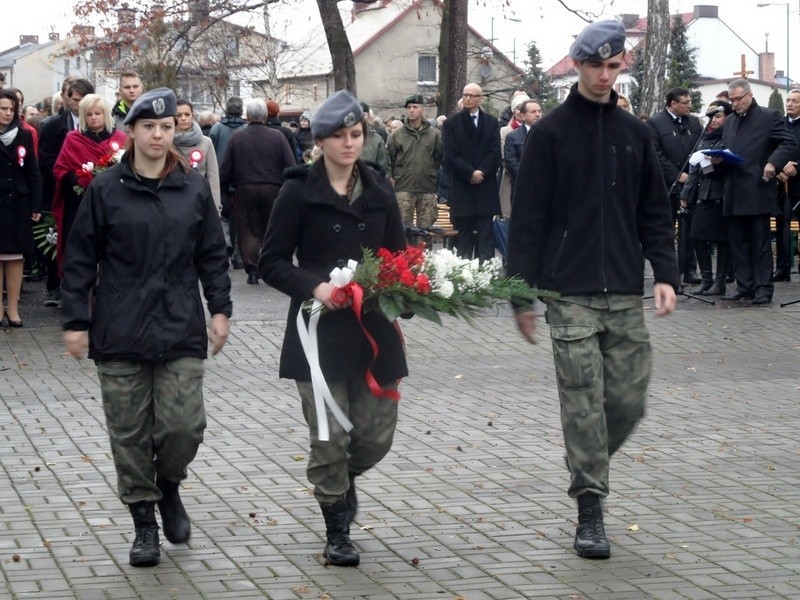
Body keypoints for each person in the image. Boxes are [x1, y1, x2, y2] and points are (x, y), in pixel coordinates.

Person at [507, 20, 678, 560]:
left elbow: (654, 210)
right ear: (577, 65)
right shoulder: (551, 133)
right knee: (583, 404)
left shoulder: (636, 134)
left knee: (627, 400)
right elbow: (528, 219)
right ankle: (590, 508)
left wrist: (667, 274)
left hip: (626, 290)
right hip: (569, 292)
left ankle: (588, 461)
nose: (605, 75)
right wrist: (521, 294)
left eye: (613, 66)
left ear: (621, 65)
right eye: (595, 65)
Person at [60, 88, 232, 568]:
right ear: (130, 132)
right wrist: (76, 321)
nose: (159, 135)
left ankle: (169, 486)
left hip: (179, 324)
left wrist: (220, 309)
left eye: (166, 128)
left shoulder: (193, 187)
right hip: (120, 328)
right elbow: (78, 260)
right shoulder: (106, 189)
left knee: (183, 426)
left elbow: (213, 256)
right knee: (129, 432)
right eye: (148, 127)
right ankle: (144, 524)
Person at [259, 89, 407, 568]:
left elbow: (398, 257)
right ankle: (337, 528)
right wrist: (315, 287)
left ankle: (340, 483)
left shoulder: (380, 189)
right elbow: (272, 262)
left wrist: (408, 292)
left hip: (373, 329)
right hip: (318, 331)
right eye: (339, 136)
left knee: (375, 435)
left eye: (356, 134)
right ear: (320, 140)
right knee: (328, 436)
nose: (349, 143)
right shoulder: (298, 191)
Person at [717, 79, 797, 304]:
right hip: (732, 190)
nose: (735, 104)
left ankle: (763, 287)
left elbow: (789, 143)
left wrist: (773, 163)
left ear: (750, 95)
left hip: (756, 189)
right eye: (732, 100)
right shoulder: (730, 121)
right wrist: (718, 158)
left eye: (739, 99)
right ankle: (745, 286)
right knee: (738, 243)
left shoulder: (768, 116)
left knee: (759, 243)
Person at [219, 98, 294, 284]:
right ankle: (271, 266)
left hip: (245, 189)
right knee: (271, 228)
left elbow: (225, 169)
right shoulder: (278, 137)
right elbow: (290, 165)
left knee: (247, 229)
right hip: (273, 189)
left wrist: (225, 191)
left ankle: (252, 270)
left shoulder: (237, 137)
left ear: (247, 116)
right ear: (266, 115)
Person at [52, 94, 128, 275]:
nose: (93, 117)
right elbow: (59, 169)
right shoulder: (73, 138)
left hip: (112, 203)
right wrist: (77, 179)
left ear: (106, 114)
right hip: (79, 202)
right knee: (81, 250)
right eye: (89, 114)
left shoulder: (120, 139)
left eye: (98, 113)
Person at [647, 87, 703, 289]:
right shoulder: (656, 123)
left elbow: (699, 149)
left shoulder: (694, 122)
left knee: (689, 230)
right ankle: (670, 276)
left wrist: (691, 176)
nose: (690, 105)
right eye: (685, 102)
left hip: (690, 185)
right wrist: (679, 176)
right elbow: (656, 154)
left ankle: (689, 270)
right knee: (666, 232)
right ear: (673, 104)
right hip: (666, 186)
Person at [442, 82, 501, 262]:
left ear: (480, 98)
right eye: (465, 94)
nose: (467, 98)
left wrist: (481, 172)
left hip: (485, 186)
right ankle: (465, 276)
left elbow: (495, 152)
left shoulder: (491, 122)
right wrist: (470, 173)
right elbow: (450, 155)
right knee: (464, 238)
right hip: (463, 186)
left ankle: (486, 277)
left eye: (472, 95)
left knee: (485, 235)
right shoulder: (452, 123)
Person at [679, 100, 733, 296]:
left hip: (721, 194)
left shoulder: (729, 137)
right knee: (697, 236)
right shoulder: (704, 137)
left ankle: (720, 281)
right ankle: (707, 278)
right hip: (703, 195)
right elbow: (694, 169)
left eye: (718, 116)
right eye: (711, 116)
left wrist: (712, 164)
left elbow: (722, 171)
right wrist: (686, 194)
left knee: (722, 240)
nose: (713, 120)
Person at [0, 89, 42, 327]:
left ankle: (13, 309)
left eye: (11, 109)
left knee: (16, 257)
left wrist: (36, 203)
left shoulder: (24, 135)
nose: (8, 113)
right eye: (3, 108)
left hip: (18, 203)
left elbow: (33, 171)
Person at [386, 93, 442, 228]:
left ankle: (424, 250)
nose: (411, 110)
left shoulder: (433, 134)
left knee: (425, 231)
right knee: (403, 230)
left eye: (415, 107)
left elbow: (438, 157)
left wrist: (428, 171)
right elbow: (390, 158)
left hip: (426, 186)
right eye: (409, 107)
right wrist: (395, 176)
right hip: (404, 187)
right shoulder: (397, 135)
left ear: (423, 109)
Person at [210, 96, 247, 270]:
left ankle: (224, 244)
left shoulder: (217, 129)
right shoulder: (246, 129)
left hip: (220, 179)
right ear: (241, 110)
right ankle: (239, 257)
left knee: (222, 216)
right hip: (241, 181)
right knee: (241, 219)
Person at [772, 89, 800, 282]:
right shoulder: (779, 124)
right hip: (782, 183)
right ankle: (782, 267)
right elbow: (771, 148)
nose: (789, 104)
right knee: (782, 225)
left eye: (794, 101)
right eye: (788, 100)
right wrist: (781, 167)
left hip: (799, 182)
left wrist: (796, 167)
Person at [174, 99, 221, 211]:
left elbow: (213, 178)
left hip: (199, 201)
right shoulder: (166, 142)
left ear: (193, 116)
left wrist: (216, 208)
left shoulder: (206, 142)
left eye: (187, 114)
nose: (183, 118)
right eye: (178, 115)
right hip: (173, 202)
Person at [503, 99, 542, 195]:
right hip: (521, 186)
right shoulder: (513, 136)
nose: (537, 114)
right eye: (533, 112)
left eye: (539, 111)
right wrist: (528, 176)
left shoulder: (550, 135)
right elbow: (511, 161)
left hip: (544, 186)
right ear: (523, 116)